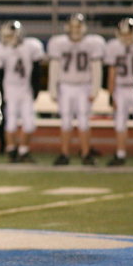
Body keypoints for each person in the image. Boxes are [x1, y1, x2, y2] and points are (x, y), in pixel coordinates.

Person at [46, 13, 105, 166]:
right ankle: (64, 154)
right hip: (65, 85)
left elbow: (96, 68)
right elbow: (54, 67)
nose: (75, 30)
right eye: (73, 26)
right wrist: (52, 88)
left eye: (78, 26)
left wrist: (95, 89)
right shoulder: (59, 42)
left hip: (84, 85)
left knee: (84, 121)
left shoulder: (92, 43)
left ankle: (86, 154)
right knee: (65, 121)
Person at [0, 21, 45, 162]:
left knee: (30, 122)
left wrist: (35, 89)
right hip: (10, 88)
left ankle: (23, 150)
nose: (8, 39)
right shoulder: (0, 49)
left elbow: (37, 70)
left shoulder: (31, 46)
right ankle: (11, 150)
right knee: (10, 121)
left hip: (25, 88)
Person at [104, 18, 133, 166]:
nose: (126, 37)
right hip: (121, 88)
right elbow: (112, 72)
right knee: (120, 123)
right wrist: (111, 94)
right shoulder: (114, 47)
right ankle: (120, 154)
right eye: (124, 34)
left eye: (129, 34)